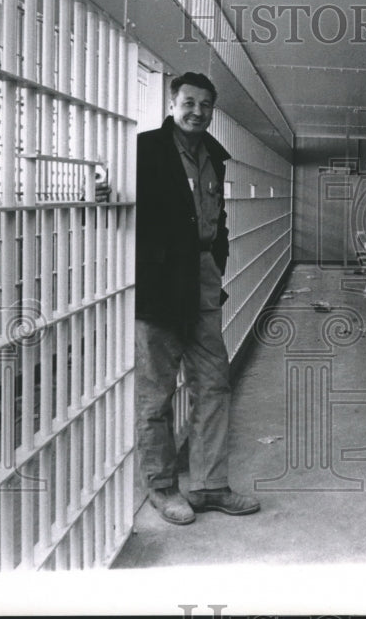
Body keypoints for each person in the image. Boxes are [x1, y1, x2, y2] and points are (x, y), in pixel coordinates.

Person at [135, 71, 260, 525]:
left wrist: (219, 255)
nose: (197, 112)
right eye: (189, 102)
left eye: (205, 105)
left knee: (214, 383)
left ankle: (209, 485)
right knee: (157, 394)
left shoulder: (213, 157)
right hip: (160, 286)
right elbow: (118, 198)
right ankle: (162, 487)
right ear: (172, 104)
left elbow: (215, 216)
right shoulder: (144, 149)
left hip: (204, 282)